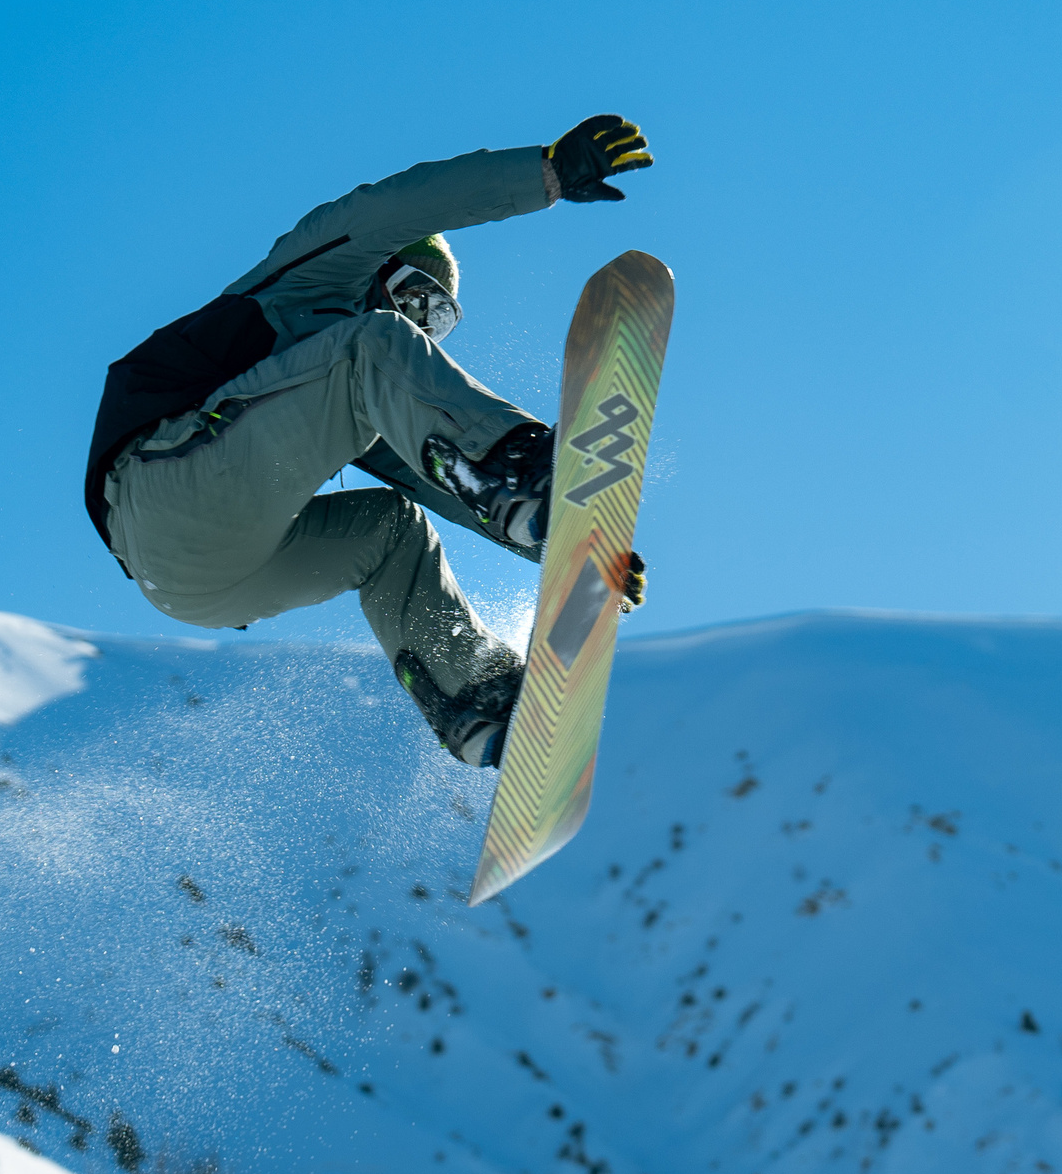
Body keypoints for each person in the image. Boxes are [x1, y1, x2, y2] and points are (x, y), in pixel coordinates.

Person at [84, 115, 655, 767]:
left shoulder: (335, 391)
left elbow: (437, 483)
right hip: (160, 480)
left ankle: (471, 698)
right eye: (415, 298)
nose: (417, 326)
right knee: (373, 349)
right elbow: (396, 204)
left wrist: (571, 549)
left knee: (392, 529)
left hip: (196, 587)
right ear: (381, 265)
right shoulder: (310, 279)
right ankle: (523, 466)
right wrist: (544, 172)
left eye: (434, 320)